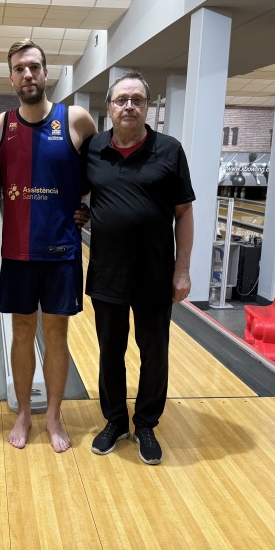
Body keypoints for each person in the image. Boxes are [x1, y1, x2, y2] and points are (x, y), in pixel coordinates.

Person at [83, 71, 195, 465]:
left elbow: (184, 213)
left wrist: (182, 271)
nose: (129, 106)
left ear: (148, 107)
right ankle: (115, 420)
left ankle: (146, 423)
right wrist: (80, 211)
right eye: (121, 99)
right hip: (107, 273)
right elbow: (80, 194)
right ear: (110, 107)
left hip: (155, 274)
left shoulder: (169, 150)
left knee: (154, 353)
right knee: (110, 352)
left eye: (137, 100)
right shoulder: (94, 148)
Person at [0, 39, 97, 453]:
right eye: (20, 68)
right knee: (22, 332)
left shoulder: (76, 119)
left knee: (56, 335)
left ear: (46, 73)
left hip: (61, 252)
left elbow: (102, 171)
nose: (28, 74)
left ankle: (54, 416)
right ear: (11, 78)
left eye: (34, 67)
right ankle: (23, 412)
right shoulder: (3, 124)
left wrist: (87, 207)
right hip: (18, 252)